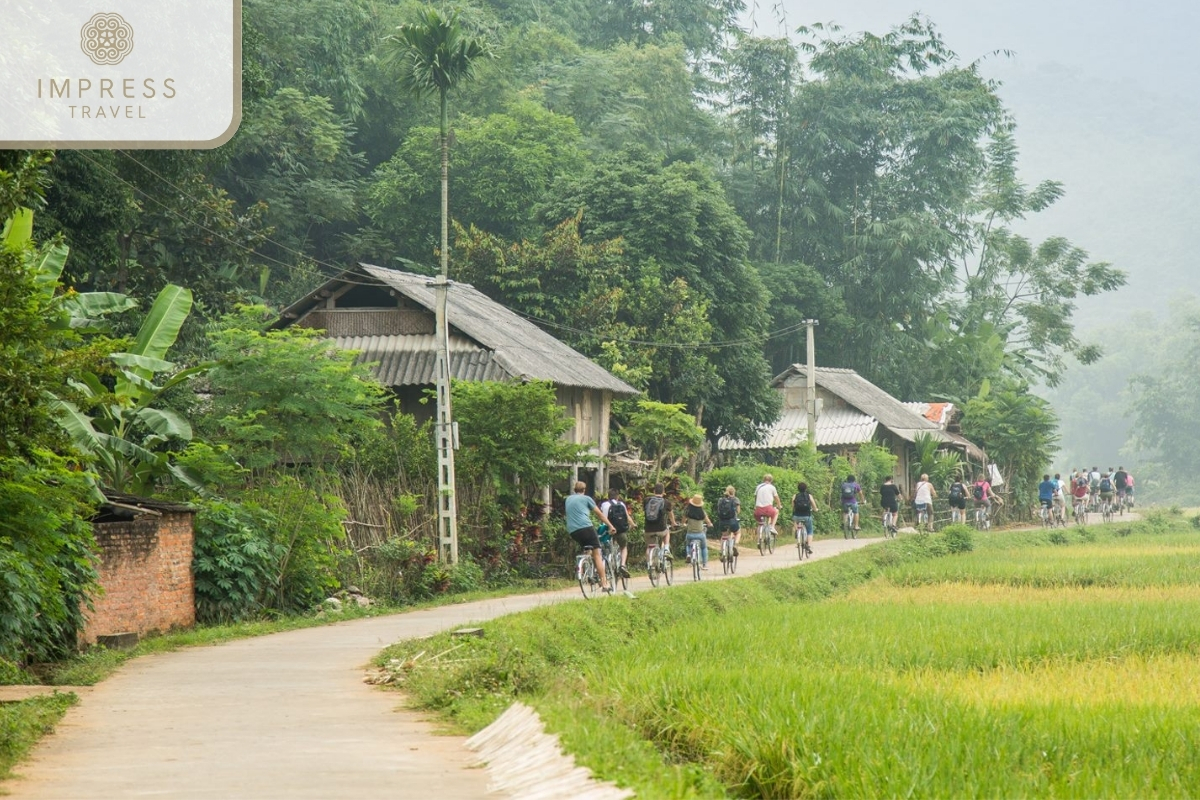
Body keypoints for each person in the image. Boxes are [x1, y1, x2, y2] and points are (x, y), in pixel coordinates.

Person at [565, 481, 617, 593]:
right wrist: (610, 526)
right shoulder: (587, 498)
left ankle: (587, 570)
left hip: (573, 531)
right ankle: (604, 584)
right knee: (597, 554)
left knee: (587, 548)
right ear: (584, 490)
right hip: (586, 527)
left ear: (574, 489)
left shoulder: (568, 499)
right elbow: (599, 514)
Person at [599, 488, 631, 579]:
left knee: (604, 549)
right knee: (623, 547)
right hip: (620, 530)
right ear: (617, 497)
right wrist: (633, 524)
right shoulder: (622, 504)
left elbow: (601, 516)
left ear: (608, 496)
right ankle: (622, 565)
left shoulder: (604, 504)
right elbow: (627, 517)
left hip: (607, 530)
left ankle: (605, 566)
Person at [643, 482, 676, 569]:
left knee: (649, 547)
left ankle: (649, 565)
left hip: (648, 530)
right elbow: (671, 515)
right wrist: (673, 523)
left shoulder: (646, 501)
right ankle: (666, 549)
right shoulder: (666, 502)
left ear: (654, 491)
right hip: (661, 529)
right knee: (667, 532)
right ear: (663, 491)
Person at [683, 493, 712, 569]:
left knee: (688, 545)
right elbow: (708, 521)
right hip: (700, 535)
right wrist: (710, 524)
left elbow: (683, 521)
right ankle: (705, 564)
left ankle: (689, 554)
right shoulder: (702, 512)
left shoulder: (687, 511)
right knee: (704, 547)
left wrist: (684, 524)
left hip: (690, 534)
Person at [791, 481, 817, 555]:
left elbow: (793, 506)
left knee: (795, 521)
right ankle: (808, 545)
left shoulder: (795, 496)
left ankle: (797, 532)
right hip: (807, 516)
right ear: (806, 488)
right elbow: (813, 504)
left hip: (797, 516)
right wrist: (815, 509)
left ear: (798, 488)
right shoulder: (809, 496)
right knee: (810, 531)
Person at [715, 486, 741, 555]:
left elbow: (718, 510)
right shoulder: (736, 499)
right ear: (734, 492)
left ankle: (721, 550)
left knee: (724, 536)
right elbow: (738, 511)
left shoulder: (721, 500)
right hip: (732, 521)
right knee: (738, 533)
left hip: (722, 521)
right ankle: (735, 544)